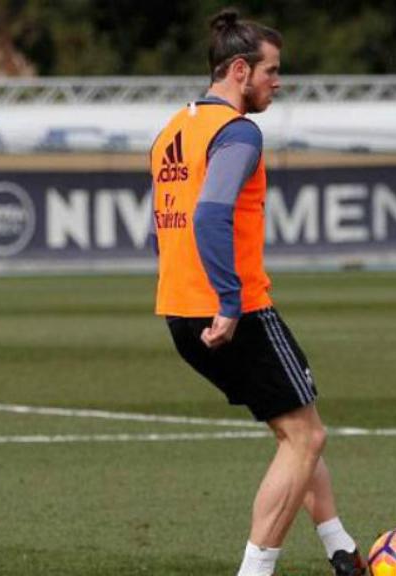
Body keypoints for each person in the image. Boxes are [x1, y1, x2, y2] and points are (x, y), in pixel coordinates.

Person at [149, 9, 365, 576]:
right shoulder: (238, 131)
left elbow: (161, 229)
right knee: (305, 436)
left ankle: (340, 547)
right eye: (272, 71)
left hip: (178, 311)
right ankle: (257, 570)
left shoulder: (172, 129)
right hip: (233, 311)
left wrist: (191, 294)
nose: (278, 82)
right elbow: (211, 214)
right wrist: (227, 302)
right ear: (239, 70)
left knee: (293, 431)